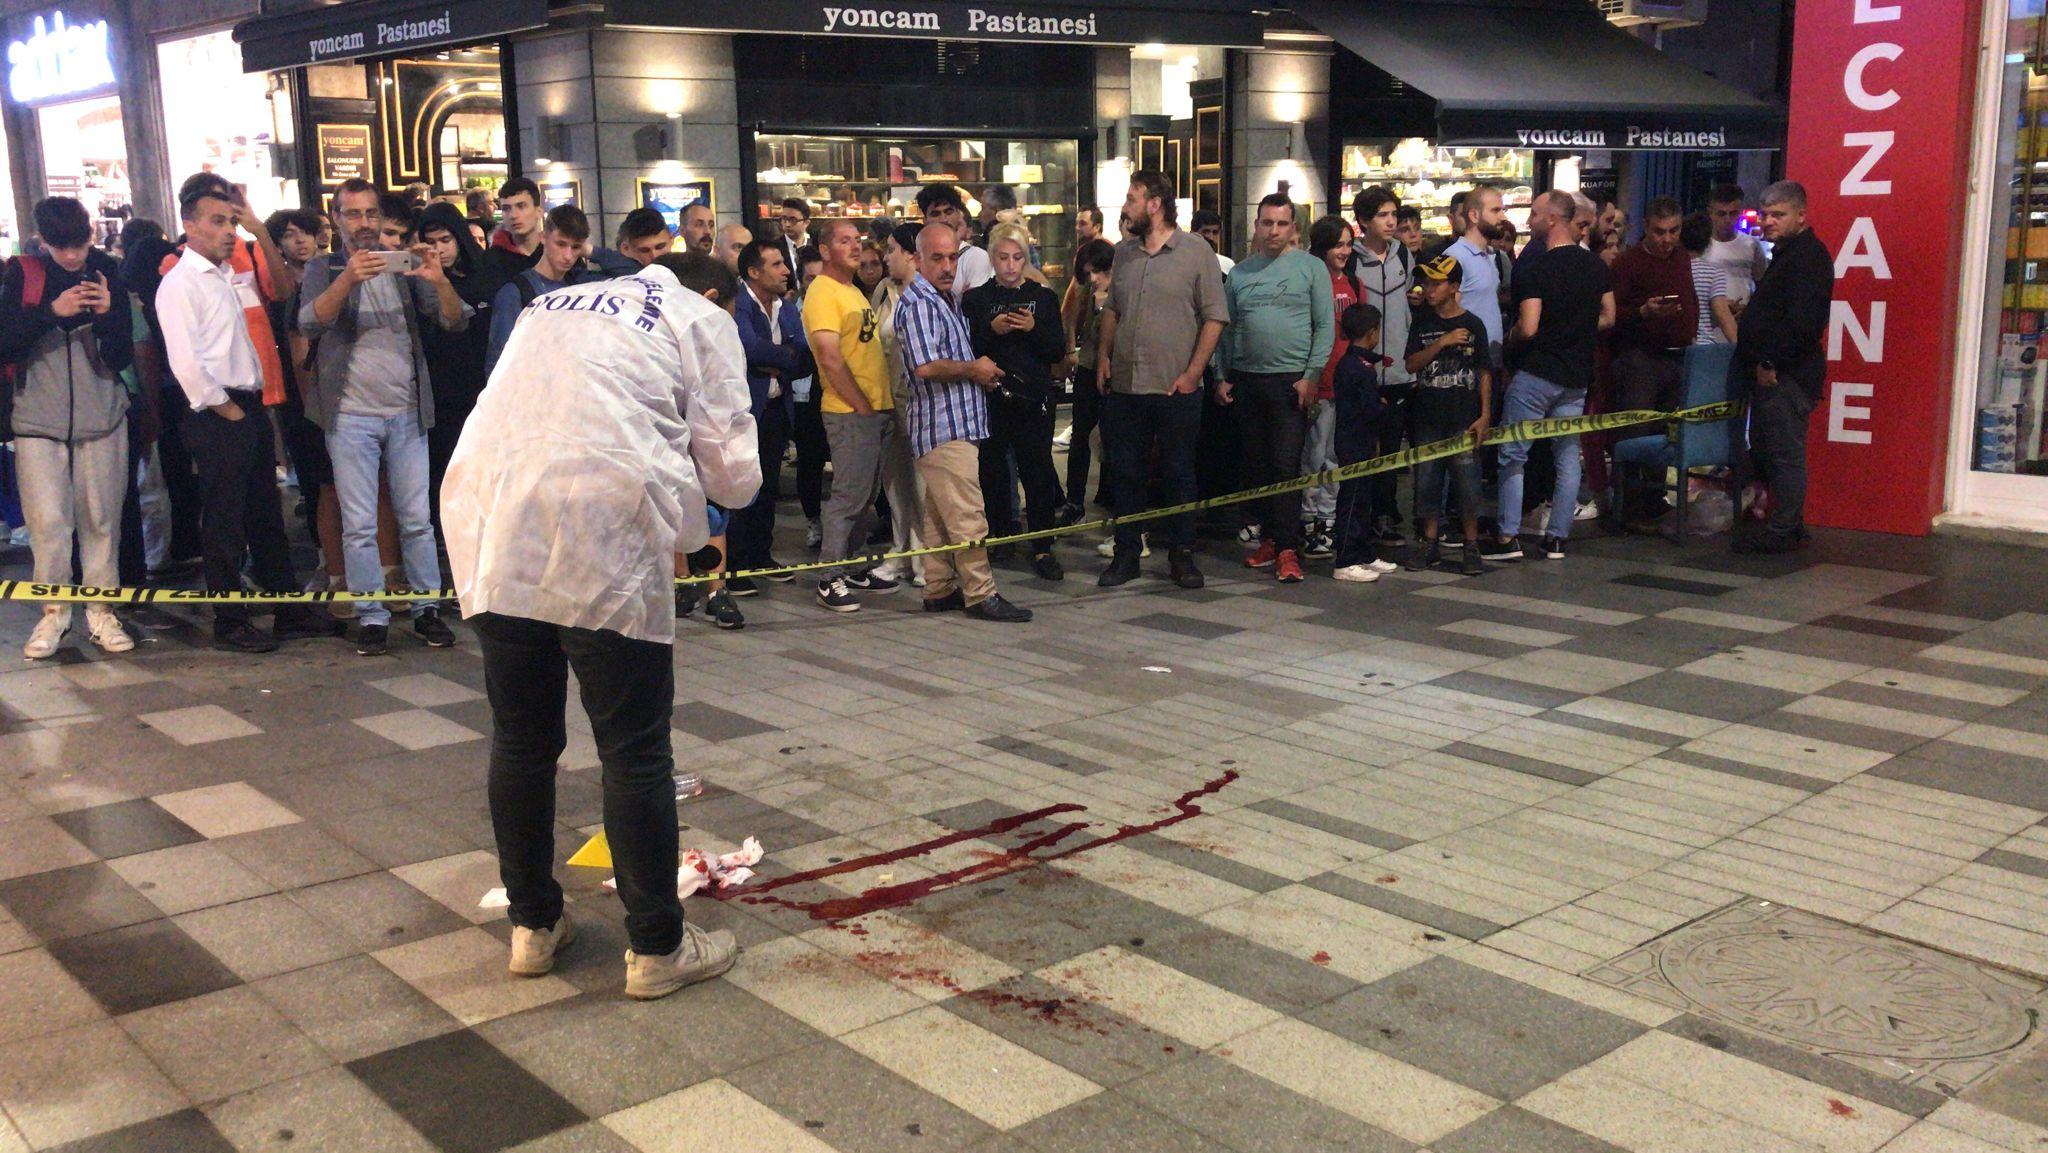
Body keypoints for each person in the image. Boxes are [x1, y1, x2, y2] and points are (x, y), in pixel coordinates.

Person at [442, 252, 757, 1000]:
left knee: (521, 738)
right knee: (634, 748)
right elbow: (735, 475)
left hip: (493, 518)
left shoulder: (551, 304)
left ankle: (533, 924)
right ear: (710, 291)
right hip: (604, 528)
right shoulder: (700, 316)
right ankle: (656, 946)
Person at [155, 181, 341, 653]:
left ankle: (287, 610)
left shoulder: (227, 276)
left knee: (265, 514)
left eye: (231, 221)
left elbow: (276, 295)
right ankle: (229, 619)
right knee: (224, 520)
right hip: (221, 411)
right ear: (190, 225)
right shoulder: (181, 282)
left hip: (250, 405)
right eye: (217, 221)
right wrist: (229, 409)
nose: (227, 231)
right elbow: (186, 364)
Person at [299, 178, 467, 656]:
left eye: (371, 214)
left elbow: (453, 320)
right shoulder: (323, 267)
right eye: (354, 214)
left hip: (407, 412)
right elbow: (308, 322)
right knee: (359, 523)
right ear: (336, 219)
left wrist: (439, 281)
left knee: (417, 518)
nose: (365, 224)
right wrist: (347, 278)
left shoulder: (405, 267)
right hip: (349, 414)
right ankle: (371, 615)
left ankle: (425, 610)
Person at [2, 196, 135, 657]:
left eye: (79, 244)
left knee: (101, 520)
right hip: (37, 418)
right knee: (48, 524)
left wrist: (107, 315)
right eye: (61, 248)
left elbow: (122, 356)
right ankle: (53, 617)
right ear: (43, 241)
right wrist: (50, 313)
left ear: (91, 235)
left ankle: (102, 612)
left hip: (102, 416)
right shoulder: (23, 273)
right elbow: (6, 343)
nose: (73, 256)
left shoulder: (107, 271)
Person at [893, 223, 1032, 622]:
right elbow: (924, 367)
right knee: (969, 513)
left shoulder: (942, 299)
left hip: (952, 423)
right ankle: (981, 593)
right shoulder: (920, 302)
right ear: (917, 259)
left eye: (953, 256)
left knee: (938, 515)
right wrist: (975, 368)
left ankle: (939, 589)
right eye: (936, 257)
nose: (947, 266)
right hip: (942, 426)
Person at [1096, 170, 1228, 590]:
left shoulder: (1195, 253)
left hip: (1175, 387)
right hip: (1127, 387)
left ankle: (1182, 555)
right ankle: (1126, 553)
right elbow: (1113, 310)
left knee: (1178, 472)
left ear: (1155, 204)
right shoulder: (1124, 254)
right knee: (1125, 473)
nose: (1126, 207)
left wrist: (1193, 374)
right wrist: (1103, 356)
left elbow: (1214, 317)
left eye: (1132, 199)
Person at [1487, 189, 1615, 564]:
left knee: (1513, 455)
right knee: (1565, 456)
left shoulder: (1536, 268)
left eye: (1535, 213)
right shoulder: (1595, 266)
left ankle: (1508, 536)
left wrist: (1506, 342)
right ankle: (1557, 538)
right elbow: (1609, 316)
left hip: (1537, 372)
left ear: (1554, 219)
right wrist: (1576, 326)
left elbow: (1528, 327)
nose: (1529, 220)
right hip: (1576, 375)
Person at [1216, 193, 1334, 584]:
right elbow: (1225, 330)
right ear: (1256, 225)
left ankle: (1287, 546)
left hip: (1291, 382)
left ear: (1293, 227)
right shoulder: (1240, 274)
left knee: (1285, 466)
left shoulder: (1311, 268)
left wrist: (1311, 374)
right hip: (1249, 380)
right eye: (1267, 222)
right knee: (1257, 465)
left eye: (1282, 223)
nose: (1273, 230)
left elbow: (1324, 326)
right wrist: (1223, 374)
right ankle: (1270, 537)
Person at [802, 218, 905, 612]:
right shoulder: (823, 293)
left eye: (856, 240)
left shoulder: (854, 292)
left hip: (875, 408)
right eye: (843, 241)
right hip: (850, 412)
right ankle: (829, 577)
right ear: (825, 250)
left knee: (865, 495)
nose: (854, 246)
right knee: (848, 496)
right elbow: (829, 357)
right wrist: (861, 404)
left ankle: (851, 564)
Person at [1733, 181, 1834, 555]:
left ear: (1801, 216)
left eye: (1778, 214)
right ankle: (1787, 522)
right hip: (1778, 372)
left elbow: (1803, 325)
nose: (1768, 221)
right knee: (1769, 447)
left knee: (1783, 452)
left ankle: (1785, 526)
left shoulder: (1807, 258)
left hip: (1785, 376)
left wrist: (1770, 363)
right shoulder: (1789, 255)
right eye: (1765, 214)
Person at [963, 220, 1068, 580]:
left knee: (1037, 472)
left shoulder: (1043, 298)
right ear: (992, 258)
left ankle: (1042, 546)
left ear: (1027, 258)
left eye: (1017, 257)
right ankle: (1001, 534)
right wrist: (991, 331)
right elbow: (967, 351)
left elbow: (1057, 349)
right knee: (992, 473)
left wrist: (1032, 328)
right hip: (991, 399)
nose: (1010, 265)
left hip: (1033, 399)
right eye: (1003, 257)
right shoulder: (976, 300)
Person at [728, 239, 812, 587]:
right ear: (753, 271)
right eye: (776, 264)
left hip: (778, 407)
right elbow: (748, 348)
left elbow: (805, 355)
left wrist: (774, 361)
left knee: (768, 485)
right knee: (740, 486)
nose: (785, 271)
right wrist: (782, 355)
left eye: (784, 263)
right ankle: (734, 565)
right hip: (745, 411)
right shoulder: (739, 304)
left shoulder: (785, 306)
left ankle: (761, 555)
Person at [1608, 196, 1698, 517]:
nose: (1667, 239)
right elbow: (1611, 314)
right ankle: (1629, 503)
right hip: (1639, 358)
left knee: (1664, 431)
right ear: (1646, 227)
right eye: (1660, 231)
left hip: (1677, 356)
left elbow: (1690, 296)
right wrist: (1644, 312)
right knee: (1635, 431)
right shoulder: (1627, 263)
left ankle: (1654, 497)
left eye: (1674, 231)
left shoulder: (1681, 257)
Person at [1403, 255, 1490, 577]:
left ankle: (1470, 543)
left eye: (1436, 283)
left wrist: (1485, 415)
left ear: (1454, 287)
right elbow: (1411, 364)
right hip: (1427, 415)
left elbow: (1484, 372)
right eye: (1426, 282)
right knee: (1426, 480)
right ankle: (1429, 540)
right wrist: (1441, 342)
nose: (1429, 289)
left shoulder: (1474, 324)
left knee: (1467, 481)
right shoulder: (1423, 323)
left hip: (1463, 416)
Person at [416, 202, 504, 521]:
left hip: (484, 388)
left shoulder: (487, 274)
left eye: (445, 240)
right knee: (445, 470)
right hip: (441, 393)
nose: (439, 250)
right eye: (431, 243)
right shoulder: (422, 282)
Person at [1350, 187, 1416, 545]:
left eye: (1393, 214)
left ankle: (1384, 514)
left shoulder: (1403, 255)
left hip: (1399, 371)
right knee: (1362, 449)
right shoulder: (1352, 259)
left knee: (1390, 450)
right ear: (1363, 221)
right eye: (1382, 215)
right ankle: (1358, 515)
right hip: (1363, 372)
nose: (1391, 221)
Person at [868, 222, 928, 586]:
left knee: (923, 484)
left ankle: (925, 560)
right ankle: (900, 550)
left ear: (910, 253)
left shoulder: (928, 292)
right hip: (887, 399)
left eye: (891, 249)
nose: (884, 256)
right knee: (895, 483)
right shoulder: (883, 290)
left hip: (920, 401)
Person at [486, 205, 607, 376]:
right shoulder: (515, 292)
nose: (568, 255)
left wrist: (592, 251)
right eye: (561, 244)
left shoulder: (579, 283)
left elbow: (632, 272)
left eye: (575, 247)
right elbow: (497, 362)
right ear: (543, 237)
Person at [1301, 214, 1359, 559]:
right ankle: (1310, 526)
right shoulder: (1312, 278)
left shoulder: (1352, 281)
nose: (1345, 251)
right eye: (1338, 244)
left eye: (1349, 244)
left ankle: (1328, 519)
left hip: (1345, 385)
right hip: (1319, 384)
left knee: (1336, 459)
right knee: (1314, 457)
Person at [1329, 303, 1397, 584]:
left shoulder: (1350, 362)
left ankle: (1364, 552)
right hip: (1355, 442)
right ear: (1372, 333)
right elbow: (1370, 408)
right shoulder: (1360, 368)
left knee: (1364, 500)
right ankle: (1345, 559)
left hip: (1360, 441)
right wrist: (1387, 407)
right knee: (1353, 499)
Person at [1057, 238, 1116, 524]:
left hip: (1117, 373)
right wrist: (1071, 350)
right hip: (1089, 367)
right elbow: (1069, 316)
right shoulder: (1087, 291)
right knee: (1081, 434)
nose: (1093, 279)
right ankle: (1074, 501)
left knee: (1115, 437)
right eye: (1088, 273)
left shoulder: (1122, 291)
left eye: (1099, 271)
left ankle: (1110, 495)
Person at [1446, 185, 1507, 373]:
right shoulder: (1455, 256)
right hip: (1467, 365)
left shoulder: (1490, 255)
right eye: (1495, 210)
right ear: (1474, 215)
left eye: (1502, 210)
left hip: (1489, 362)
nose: (1502, 217)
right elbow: (1447, 315)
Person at [916, 184, 992, 301]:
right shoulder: (921, 255)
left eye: (948, 212)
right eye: (935, 214)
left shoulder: (975, 257)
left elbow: (976, 307)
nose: (943, 219)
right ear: (925, 220)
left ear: (959, 214)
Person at [1704, 184, 1767, 309]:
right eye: (1721, 214)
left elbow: (1763, 286)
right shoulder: (1700, 245)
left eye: (1733, 214)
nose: (1727, 220)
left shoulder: (1751, 245)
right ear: (1710, 213)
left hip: (1742, 320)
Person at [1681, 212, 1737, 345]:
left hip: (1676, 344)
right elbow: (1722, 313)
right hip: (1703, 345)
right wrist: (1740, 348)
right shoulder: (1713, 272)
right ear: (1708, 241)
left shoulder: (1671, 269)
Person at [483, 177, 545, 282]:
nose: (513, 215)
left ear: (539, 211)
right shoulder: (491, 261)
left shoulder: (555, 251)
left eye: (521, 206)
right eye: (506, 208)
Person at [1189, 209, 1234, 275]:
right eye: (1206, 232)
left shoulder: (1227, 264)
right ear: (1193, 233)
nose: (1211, 237)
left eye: (1215, 232)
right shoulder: (1182, 263)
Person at [775, 198, 811, 277]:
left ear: (806, 223)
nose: (787, 224)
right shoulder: (775, 248)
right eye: (784, 219)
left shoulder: (816, 246)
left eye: (793, 220)